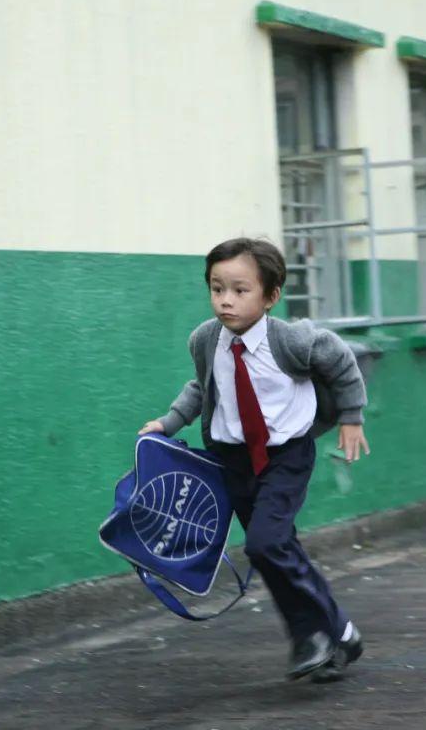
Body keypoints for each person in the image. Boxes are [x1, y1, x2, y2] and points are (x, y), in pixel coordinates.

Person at [138, 237, 370, 682]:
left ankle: (323, 634)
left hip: (285, 454)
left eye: (240, 290)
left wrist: (351, 417)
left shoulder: (295, 341)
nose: (225, 300)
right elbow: (202, 386)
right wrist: (169, 423)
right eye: (216, 287)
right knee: (276, 549)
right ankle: (330, 635)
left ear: (270, 296)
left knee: (265, 543)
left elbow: (342, 363)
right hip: (233, 458)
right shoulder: (206, 340)